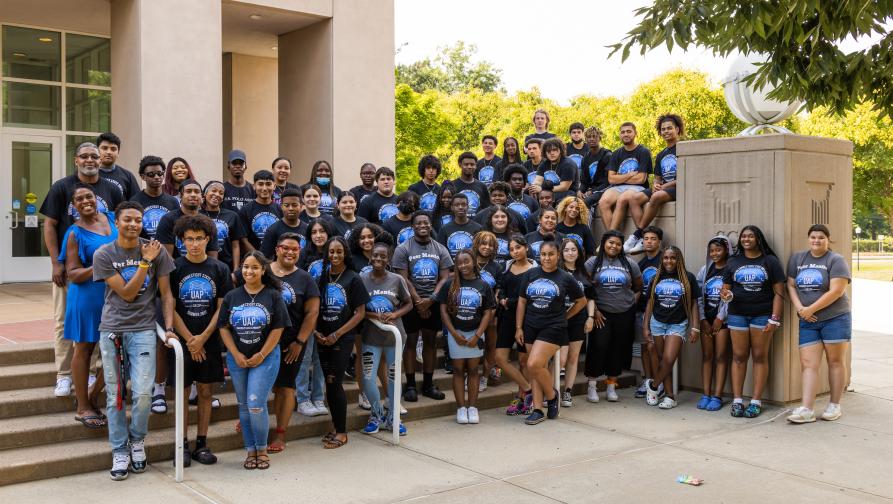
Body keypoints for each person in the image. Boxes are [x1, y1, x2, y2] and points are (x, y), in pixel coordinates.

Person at [92, 201, 176, 480]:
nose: (133, 224)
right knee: (116, 396)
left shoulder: (156, 250)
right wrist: (144, 262)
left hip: (143, 330)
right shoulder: (105, 254)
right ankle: (119, 450)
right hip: (113, 329)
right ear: (116, 222)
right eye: (128, 219)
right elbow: (127, 293)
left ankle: (137, 440)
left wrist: (170, 328)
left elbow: (166, 294)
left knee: (142, 394)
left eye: (138, 220)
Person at [41, 142, 124, 398]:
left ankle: (90, 372)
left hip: (106, 274)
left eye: (94, 156)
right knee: (64, 320)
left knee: (98, 321)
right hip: (71, 267)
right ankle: (64, 375)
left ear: (101, 160)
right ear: (76, 160)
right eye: (85, 156)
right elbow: (50, 225)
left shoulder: (112, 189)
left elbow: (118, 223)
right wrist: (57, 262)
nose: (90, 160)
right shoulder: (61, 187)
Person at [168, 214, 232, 466]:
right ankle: (181, 444)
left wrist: (202, 339)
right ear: (182, 240)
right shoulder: (174, 268)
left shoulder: (219, 269)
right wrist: (189, 340)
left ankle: (201, 443)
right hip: (183, 340)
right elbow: (170, 307)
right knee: (183, 393)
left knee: (205, 391)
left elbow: (222, 308)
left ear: (208, 239)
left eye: (199, 239)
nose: (194, 244)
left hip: (209, 340)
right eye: (188, 239)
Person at [219, 251, 290, 469]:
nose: (249, 271)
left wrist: (261, 354)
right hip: (238, 358)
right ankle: (250, 451)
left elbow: (278, 328)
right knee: (243, 406)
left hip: (266, 358)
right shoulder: (233, 296)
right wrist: (236, 354)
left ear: (263, 270)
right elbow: (223, 327)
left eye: (254, 267)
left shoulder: (272, 296)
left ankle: (262, 448)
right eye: (246, 267)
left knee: (256, 404)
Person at [60, 184, 117, 429]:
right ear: (73, 206)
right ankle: (82, 406)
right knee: (84, 349)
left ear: (96, 198)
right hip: (87, 296)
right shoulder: (74, 233)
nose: (85, 201)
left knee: (116, 351)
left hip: (115, 295)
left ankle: (93, 395)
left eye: (89, 196)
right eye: (79, 199)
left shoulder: (112, 218)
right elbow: (72, 273)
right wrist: (103, 267)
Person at [786, 225, 851, 424]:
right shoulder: (798, 259)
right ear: (808, 239)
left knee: (835, 361)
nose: (816, 240)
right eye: (813, 237)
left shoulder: (835, 260)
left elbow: (836, 291)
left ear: (828, 240)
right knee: (808, 365)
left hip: (835, 318)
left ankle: (834, 405)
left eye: (821, 237)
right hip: (807, 321)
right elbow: (791, 284)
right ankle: (807, 409)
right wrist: (800, 309)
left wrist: (810, 309)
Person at [516, 239, 586, 424]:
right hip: (530, 325)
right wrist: (518, 327)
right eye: (543, 254)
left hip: (554, 327)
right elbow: (522, 301)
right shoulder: (530, 274)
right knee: (537, 369)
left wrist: (565, 316)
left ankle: (552, 396)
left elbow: (581, 301)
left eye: (551, 254)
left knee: (533, 364)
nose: (547, 258)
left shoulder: (565, 277)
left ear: (558, 255)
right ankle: (538, 409)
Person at [720, 225, 785, 419]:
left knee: (759, 356)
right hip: (737, 314)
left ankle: (756, 401)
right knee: (739, 356)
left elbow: (779, 293)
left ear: (758, 239)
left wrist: (774, 319)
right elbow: (725, 291)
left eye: (751, 236)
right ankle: (738, 400)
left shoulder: (770, 261)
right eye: (743, 236)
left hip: (762, 315)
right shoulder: (733, 261)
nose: (746, 239)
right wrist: (726, 295)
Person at [392, 212, 453, 402]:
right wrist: (418, 300)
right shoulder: (403, 248)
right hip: (410, 301)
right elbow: (403, 278)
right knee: (410, 342)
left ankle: (428, 384)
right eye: (418, 223)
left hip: (433, 301)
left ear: (430, 225)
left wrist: (432, 298)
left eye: (426, 222)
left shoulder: (440, 248)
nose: (423, 225)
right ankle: (410, 385)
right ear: (413, 226)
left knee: (430, 342)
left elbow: (445, 277)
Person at [315, 237, 368, 448]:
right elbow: (314, 309)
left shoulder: (353, 278)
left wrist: (338, 334)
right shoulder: (322, 278)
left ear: (345, 253)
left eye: (339, 252)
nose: (335, 256)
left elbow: (360, 313)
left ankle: (342, 432)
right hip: (322, 337)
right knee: (329, 384)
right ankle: (336, 427)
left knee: (334, 381)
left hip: (342, 338)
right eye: (331, 252)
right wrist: (317, 332)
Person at [269, 233, 320, 450]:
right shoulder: (263, 271)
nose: (290, 252)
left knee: (285, 388)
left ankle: (280, 434)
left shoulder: (305, 278)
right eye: (285, 248)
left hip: (291, 344)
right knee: (256, 385)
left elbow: (312, 313)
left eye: (295, 249)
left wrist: (300, 342)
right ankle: (251, 420)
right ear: (277, 249)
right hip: (258, 340)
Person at [436, 249, 496, 424]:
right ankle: (461, 408)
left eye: (466, 261)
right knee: (458, 370)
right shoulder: (449, 284)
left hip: (475, 334)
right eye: (459, 263)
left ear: (473, 262)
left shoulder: (483, 285)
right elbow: (443, 310)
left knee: (473, 370)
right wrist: (454, 334)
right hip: (456, 334)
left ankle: (472, 407)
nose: (463, 265)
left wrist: (478, 335)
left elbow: (487, 312)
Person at [359, 242, 413, 435]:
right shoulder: (362, 279)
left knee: (393, 378)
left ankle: (393, 417)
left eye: (383, 256)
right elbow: (359, 310)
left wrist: (395, 314)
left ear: (389, 259)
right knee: (368, 378)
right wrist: (374, 316)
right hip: (371, 337)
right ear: (370, 257)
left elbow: (409, 304)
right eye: (375, 255)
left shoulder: (397, 279)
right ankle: (376, 413)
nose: (379, 259)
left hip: (394, 338)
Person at [585, 230, 643, 403]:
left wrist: (632, 301)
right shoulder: (592, 263)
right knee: (599, 347)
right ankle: (592, 387)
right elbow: (585, 289)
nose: (614, 246)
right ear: (603, 243)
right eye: (611, 242)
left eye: (618, 244)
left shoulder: (630, 264)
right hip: (600, 313)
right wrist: (593, 311)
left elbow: (639, 286)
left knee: (617, 349)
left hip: (624, 313)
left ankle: (611, 386)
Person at [643, 246, 701, 409]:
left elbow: (694, 304)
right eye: (666, 258)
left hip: (678, 323)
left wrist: (695, 327)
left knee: (668, 359)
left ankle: (653, 386)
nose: (669, 261)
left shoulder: (688, 277)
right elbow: (649, 303)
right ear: (662, 260)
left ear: (679, 259)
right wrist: (645, 326)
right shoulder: (656, 277)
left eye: (673, 257)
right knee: (663, 361)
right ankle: (669, 397)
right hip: (657, 323)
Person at [627, 114, 684, 253]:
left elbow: (686, 176)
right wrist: (656, 185)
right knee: (634, 198)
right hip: (663, 187)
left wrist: (663, 187)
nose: (666, 131)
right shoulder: (661, 154)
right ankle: (643, 237)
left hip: (679, 187)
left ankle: (638, 234)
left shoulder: (684, 149)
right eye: (663, 129)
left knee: (656, 197)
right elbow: (658, 177)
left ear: (677, 129)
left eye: (669, 128)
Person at [495, 235, 535, 415]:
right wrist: (501, 298)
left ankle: (521, 400)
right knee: (500, 358)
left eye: (518, 247)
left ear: (526, 247)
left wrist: (508, 301)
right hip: (506, 319)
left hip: (526, 320)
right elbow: (502, 286)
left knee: (523, 361)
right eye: (511, 249)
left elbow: (529, 297)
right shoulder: (507, 266)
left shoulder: (535, 270)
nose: (515, 251)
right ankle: (528, 390)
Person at [695, 234, 732, 411]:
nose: (715, 253)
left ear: (726, 250)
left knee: (721, 356)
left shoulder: (730, 270)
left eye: (718, 250)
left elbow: (729, 298)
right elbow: (698, 297)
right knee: (707, 357)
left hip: (722, 321)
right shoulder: (705, 270)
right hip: (707, 321)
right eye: (712, 251)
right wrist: (702, 319)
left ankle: (717, 396)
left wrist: (720, 318)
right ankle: (706, 394)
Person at [558, 238, 596, 408]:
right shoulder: (557, 271)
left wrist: (590, 317)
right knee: (561, 359)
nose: (570, 253)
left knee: (573, 358)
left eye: (574, 250)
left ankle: (567, 392)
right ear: (561, 252)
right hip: (559, 320)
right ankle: (551, 390)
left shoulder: (583, 273)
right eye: (567, 250)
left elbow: (590, 298)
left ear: (579, 253)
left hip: (578, 320)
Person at [598, 122, 653, 233]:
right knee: (603, 202)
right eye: (623, 132)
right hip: (618, 187)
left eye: (629, 131)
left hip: (638, 188)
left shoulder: (643, 151)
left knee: (622, 199)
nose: (625, 134)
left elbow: (640, 179)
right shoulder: (616, 153)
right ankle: (615, 238)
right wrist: (629, 175)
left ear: (635, 133)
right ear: (620, 135)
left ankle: (610, 237)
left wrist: (620, 177)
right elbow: (611, 179)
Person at [634, 226, 664, 400]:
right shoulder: (641, 264)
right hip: (642, 310)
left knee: (655, 348)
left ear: (659, 242)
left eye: (653, 238)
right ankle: (647, 380)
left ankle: (659, 382)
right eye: (646, 239)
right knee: (645, 347)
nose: (649, 242)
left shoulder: (664, 260)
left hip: (660, 312)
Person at [155, 179, 220, 260]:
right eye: (188, 191)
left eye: (196, 192)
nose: (193, 194)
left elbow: (213, 256)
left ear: (202, 197)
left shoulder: (208, 222)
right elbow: (166, 256)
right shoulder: (168, 219)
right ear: (180, 196)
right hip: (176, 270)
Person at [472, 231, 502, 392]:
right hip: (470, 311)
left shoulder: (496, 267)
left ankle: (484, 378)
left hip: (490, 313)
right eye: (483, 243)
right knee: (472, 346)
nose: (487, 247)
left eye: (490, 244)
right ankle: (471, 376)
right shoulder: (468, 262)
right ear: (477, 244)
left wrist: (493, 309)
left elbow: (498, 289)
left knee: (490, 345)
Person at [130, 156, 179, 240]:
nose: (156, 177)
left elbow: (177, 229)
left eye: (160, 173)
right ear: (143, 177)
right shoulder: (135, 201)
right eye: (151, 174)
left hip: (167, 249)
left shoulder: (173, 201)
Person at [201, 180, 245, 272]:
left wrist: (236, 269)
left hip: (227, 266)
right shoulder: (197, 215)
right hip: (202, 264)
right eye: (213, 191)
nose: (217, 194)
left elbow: (235, 245)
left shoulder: (232, 215)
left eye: (221, 193)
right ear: (205, 193)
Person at [239, 170, 283, 253]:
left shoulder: (280, 210)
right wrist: (258, 257)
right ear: (254, 186)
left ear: (274, 186)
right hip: (253, 260)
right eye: (260, 184)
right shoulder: (245, 210)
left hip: (276, 259)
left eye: (268, 184)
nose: (264, 188)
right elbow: (243, 240)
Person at [261, 188, 309, 258]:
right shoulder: (273, 230)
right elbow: (265, 259)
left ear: (301, 206)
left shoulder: (307, 229)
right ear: (281, 206)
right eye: (286, 205)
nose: (290, 208)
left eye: (294, 205)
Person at [531, 138, 579, 205]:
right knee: (531, 194)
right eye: (548, 151)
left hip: (567, 192)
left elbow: (564, 187)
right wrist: (534, 187)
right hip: (549, 192)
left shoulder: (568, 164)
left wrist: (541, 189)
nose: (552, 153)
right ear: (545, 153)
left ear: (560, 150)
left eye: (554, 150)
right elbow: (538, 181)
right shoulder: (544, 164)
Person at [438, 193, 483, 259]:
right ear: (452, 207)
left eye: (463, 204)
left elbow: (480, 252)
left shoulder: (478, 228)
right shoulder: (445, 229)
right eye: (457, 205)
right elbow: (441, 252)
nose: (460, 207)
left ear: (468, 207)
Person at [96, 132, 140, 200]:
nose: (109, 152)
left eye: (113, 149)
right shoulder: (88, 175)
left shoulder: (128, 176)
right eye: (104, 148)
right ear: (97, 151)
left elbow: (136, 204)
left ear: (118, 153)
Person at [580, 126, 612, 209]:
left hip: (606, 189)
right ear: (585, 139)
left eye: (594, 136)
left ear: (600, 138)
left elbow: (609, 182)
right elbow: (584, 181)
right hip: (592, 190)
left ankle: (585, 222)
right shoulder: (586, 158)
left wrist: (593, 191)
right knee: (573, 201)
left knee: (585, 203)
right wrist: (580, 191)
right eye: (589, 137)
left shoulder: (607, 156)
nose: (591, 139)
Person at [452, 152, 490, 217]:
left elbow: (487, 209)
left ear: (476, 165)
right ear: (460, 165)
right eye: (466, 164)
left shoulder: (482, 186)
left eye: (472, 164)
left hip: (478, 225)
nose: (469, 167)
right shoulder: (452, 185)